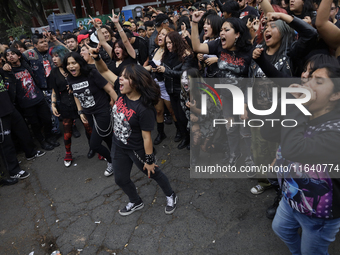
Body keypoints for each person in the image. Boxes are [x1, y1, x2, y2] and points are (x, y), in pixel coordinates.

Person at [90, 43, 178, 216]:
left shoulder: (144, 108)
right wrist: (97, 57)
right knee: (120, 179)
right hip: (118, 144)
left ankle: (171, 195)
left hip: (136, 148)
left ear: (136, 83)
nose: (120, 79)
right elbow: (104, 72)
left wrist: (149, 159)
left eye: (125, 77)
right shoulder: (121, 90)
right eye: (120, 76)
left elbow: (147, 137)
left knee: (153, 172)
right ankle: (135, 201)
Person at [261, 64, 340, 254]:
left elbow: (293, 149)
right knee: (281, 229)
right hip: (291, 198)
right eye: (309, 77)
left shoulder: (336, 130)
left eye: (318, 81)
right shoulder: (305, 113)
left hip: (319, 213)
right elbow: (268, 131)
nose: (308, 83)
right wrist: (287, 102)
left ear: (335, 95)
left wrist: (298, 105)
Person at [192, 11, 253, 164]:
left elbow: (252, 80)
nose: (222, 33)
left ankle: (250, 157)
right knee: (230, 128)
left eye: (227, 30)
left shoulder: (248, 52)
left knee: (245, 130)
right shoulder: (218, 45)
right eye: (221, 30)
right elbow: (197, 46)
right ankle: (234, 154)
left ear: (237, 34)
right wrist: (194, 23)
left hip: (243, 97)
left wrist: (245, 104)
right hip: (226, 97)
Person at [63, 51, 115, 176]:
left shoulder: (92, 72)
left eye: (74, 63)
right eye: (68, 64)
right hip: (89, 114)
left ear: (79, 63)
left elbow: (108, 88)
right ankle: (120, 156)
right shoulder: (69, 78)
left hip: (102, 111)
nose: (71, 66)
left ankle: (112, 161)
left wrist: (120, 106)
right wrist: (80, 111)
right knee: (107, 137)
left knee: (95, 144)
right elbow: (76, 95)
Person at [3, 47, 59, 151]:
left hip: (38, 97)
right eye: (7, 55)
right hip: (25, 103)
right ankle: (42, 141)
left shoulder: (26, 64)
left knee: (47, 119)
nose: (10, 56)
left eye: (13, 54)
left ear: (19, 56)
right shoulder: (7, 72)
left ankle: (49, 137)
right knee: (35, 124)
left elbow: (35, 53)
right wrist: (4, 66)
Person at [49, 46, 94, 167]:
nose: (54, 59)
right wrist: (53, 105)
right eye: (52, 56)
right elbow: (54, 90)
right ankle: (68, 153)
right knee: (67, 132)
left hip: (80, 102)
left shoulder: (73, 68)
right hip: (65, 105)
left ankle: (95, 148)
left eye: (56, 56)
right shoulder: (54, 72)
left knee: (89, 128)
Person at [144, 27, 178, 145]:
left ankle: (180, 132)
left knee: (172, 111)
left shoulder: (170, 53)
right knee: (159, 111)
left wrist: (162, 69)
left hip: (167, 85)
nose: (160, 36)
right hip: (155, 85)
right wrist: (141, 69)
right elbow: (151, 67)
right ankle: (161, 133)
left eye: (163, 34)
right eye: (159, 34)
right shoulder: (155, 51)